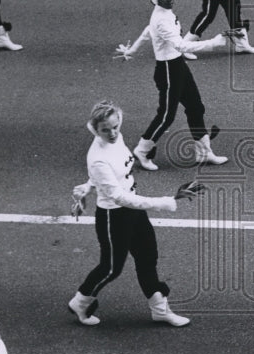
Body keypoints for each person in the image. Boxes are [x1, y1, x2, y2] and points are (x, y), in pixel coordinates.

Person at [67, 101, 201, 328]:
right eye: (105, 130)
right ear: (94, 129)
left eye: (115, 126)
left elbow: (115, 174)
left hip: (133, 211)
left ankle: (160, 310)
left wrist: (89, 185)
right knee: (111, 268)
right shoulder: (98, 158)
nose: (112, 133)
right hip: (114, 217)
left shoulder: (116, 140)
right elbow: (119, 196)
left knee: (148, 256)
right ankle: (80, 302)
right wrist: (165, 202)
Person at [115, 0, 233, 171]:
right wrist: (214, 42)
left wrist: (132, 51)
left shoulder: (162, 14)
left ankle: (203, 152)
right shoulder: (161, 20)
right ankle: (142, 150)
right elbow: (181, 45)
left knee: (195, 106)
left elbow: (147, 32)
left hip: (177, 66)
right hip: (168, 70)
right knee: (166, 116)